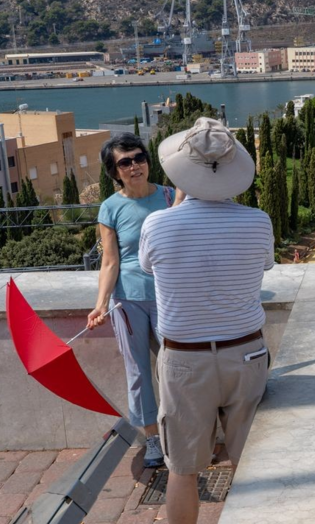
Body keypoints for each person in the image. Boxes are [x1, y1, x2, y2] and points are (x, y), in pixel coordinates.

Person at [140, 118, 274, 524]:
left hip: (184, 361)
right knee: (252, 465)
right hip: (247, 353)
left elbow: (149, 267)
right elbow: (262, 269)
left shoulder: (157, 226)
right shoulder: (258, 222)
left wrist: (180, 203)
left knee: (181, 469)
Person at [87, 132, 183, 469]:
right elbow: (110, 262)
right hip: (128, 301)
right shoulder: (110, 208)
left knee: (178, 367)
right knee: (139, 372)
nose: (134, 165)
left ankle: (183, 431)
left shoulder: (171, 195)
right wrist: (100, 304)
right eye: (124, 162)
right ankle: (153, 440)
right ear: (115, 171)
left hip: (170, 296)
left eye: (139, 157)